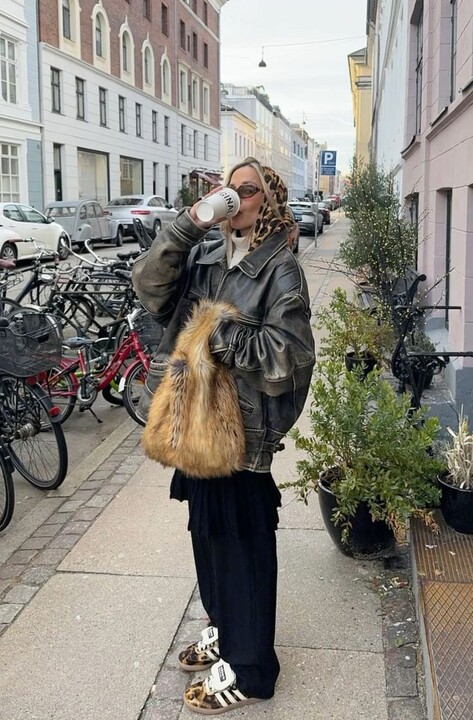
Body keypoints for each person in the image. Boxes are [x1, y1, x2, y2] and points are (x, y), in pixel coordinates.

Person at [132, 157, 315, 714]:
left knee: (243, 549)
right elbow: (150, 289)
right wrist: (189, 224)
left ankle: (253, 669)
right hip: (194, 425)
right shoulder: (207, 254)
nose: (234, 198)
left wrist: (220, 335)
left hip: (242, 434)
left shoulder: (280, 269)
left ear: (269, 202)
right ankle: (224, 628)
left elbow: (291, 358)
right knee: (207, 536)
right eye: (228, 188)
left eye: (248, 190)